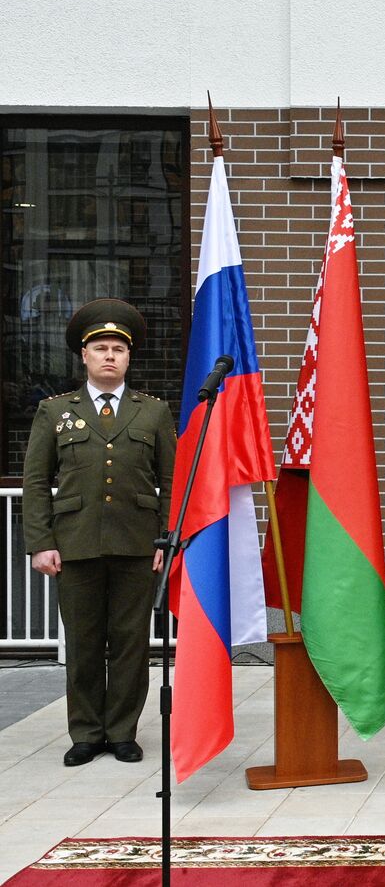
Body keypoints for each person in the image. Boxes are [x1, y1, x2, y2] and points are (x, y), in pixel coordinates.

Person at [22, 299, 175, 767]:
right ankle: (87, 733)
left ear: (129, 358)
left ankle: (123, 732)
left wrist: (167, 539)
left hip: (137, 544)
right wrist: (41, 543)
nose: (110, 356)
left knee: (131, 643)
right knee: (84, 643)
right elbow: (35, 481)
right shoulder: (54, 411)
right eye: (101, 348)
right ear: (84, 356)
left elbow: (170, 480)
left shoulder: (153, 412)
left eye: (118, 349)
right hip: (76, 543)